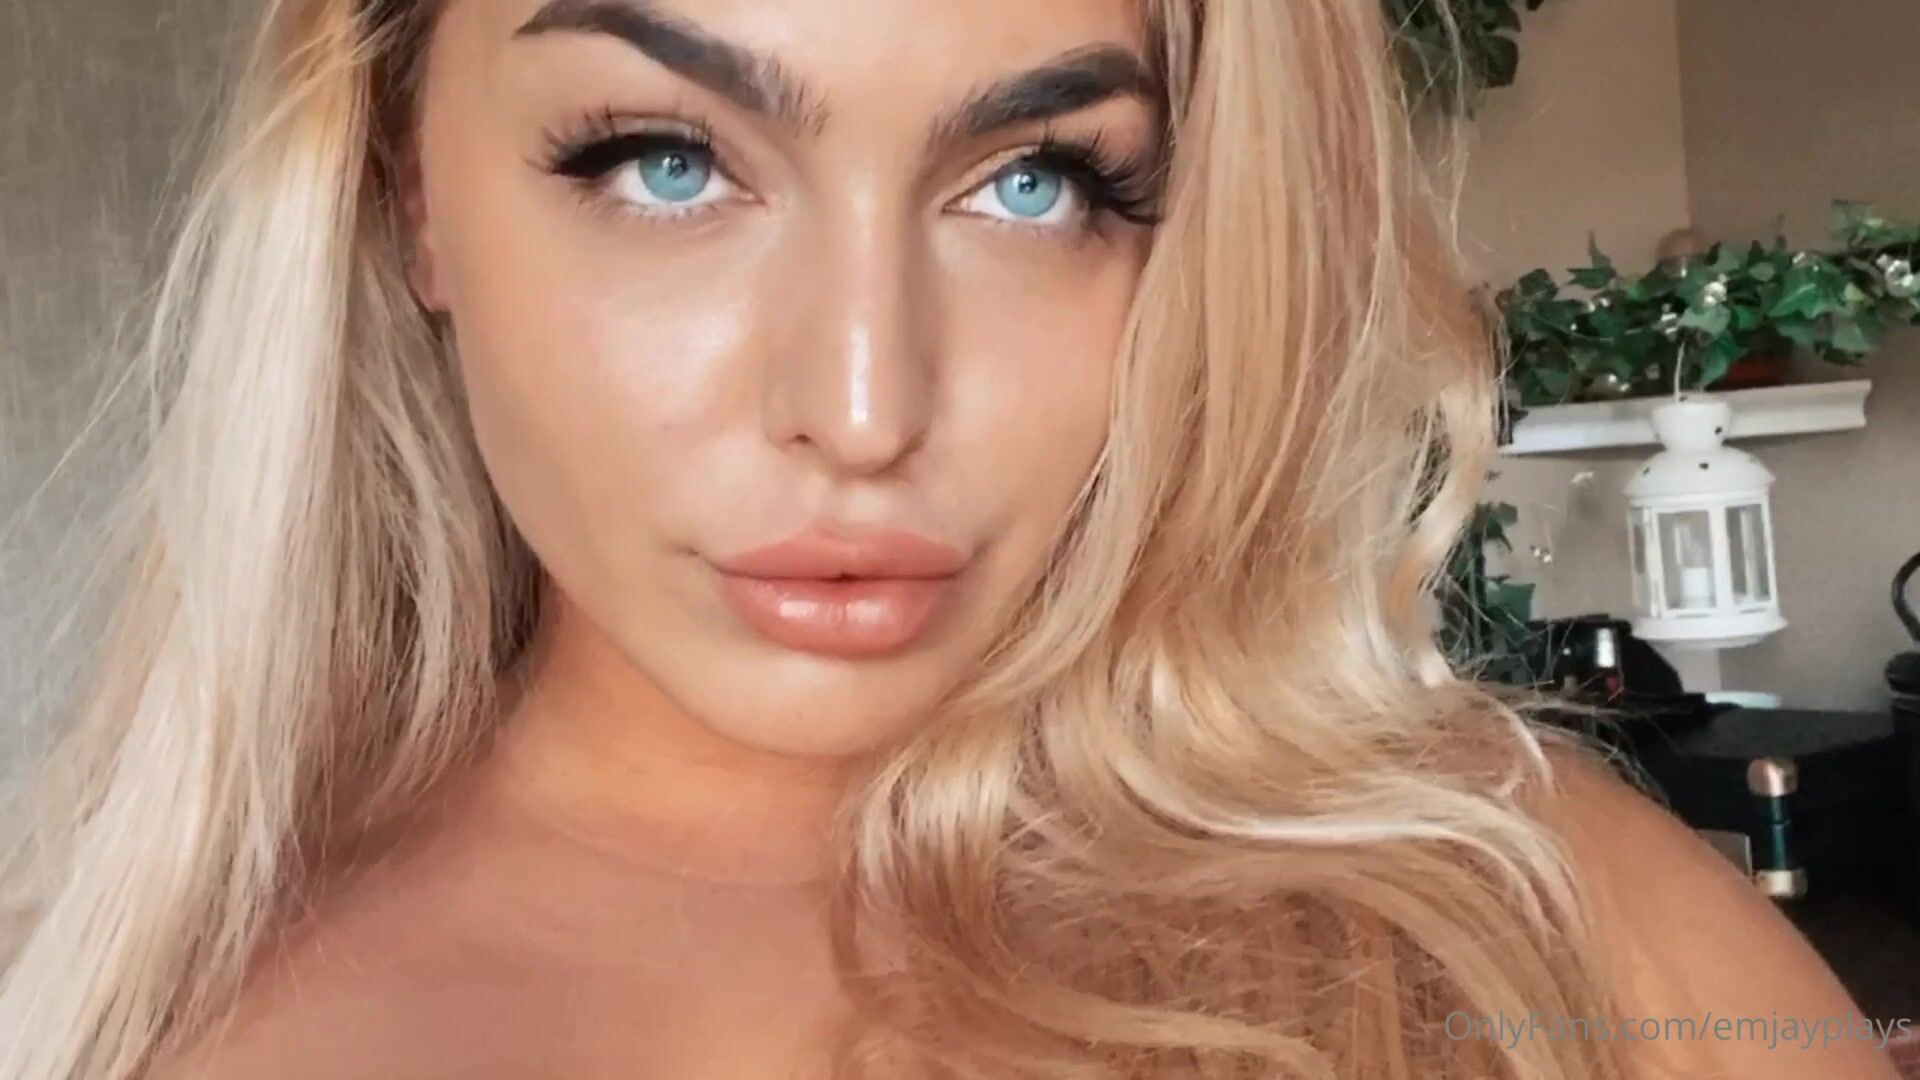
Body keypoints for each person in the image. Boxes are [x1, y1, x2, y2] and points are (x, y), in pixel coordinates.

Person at [0, 0, 1894, 1077]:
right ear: (408, 186)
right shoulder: (107, 1008)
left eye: (1038, 182)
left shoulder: (1547, 938)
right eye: (667, 161)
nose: (862, 404)